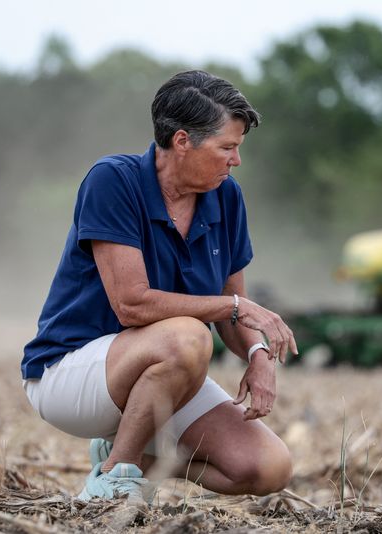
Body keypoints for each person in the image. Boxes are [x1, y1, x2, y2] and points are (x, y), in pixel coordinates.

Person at [21, 70, 298, 504]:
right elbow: (133, 305)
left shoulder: (227, 198)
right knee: (187, 334)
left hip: (165, 371)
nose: (236, 160)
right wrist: (234, 307)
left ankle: (139, 458)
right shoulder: (113, 180)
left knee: (267, 468)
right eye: (227, 147)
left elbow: (231, 309)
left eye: (238, 148)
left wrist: (258, 353)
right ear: (183, 141)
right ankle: (115, 477)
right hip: (73, 372)